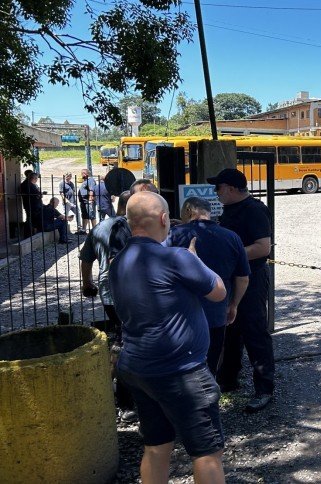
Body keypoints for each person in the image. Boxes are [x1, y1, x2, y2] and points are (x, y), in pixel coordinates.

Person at [110, 191, 227, 484]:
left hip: (138, 367)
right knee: (207, 451)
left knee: (157, 445)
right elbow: (218, 291)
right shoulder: (176, 257)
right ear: (164, 219)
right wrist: (194, 260)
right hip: (180, 372)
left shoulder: (119, 261)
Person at [210, 168, 277, 413]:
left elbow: (263, 247)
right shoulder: (229, 210)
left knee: (254, 332)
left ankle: (264, 389)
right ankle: (228, 379)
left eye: (218, 188)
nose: (216, 193)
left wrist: (231, 253)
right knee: (231, 329)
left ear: (229, 187)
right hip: (231, 279)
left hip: (252, 279)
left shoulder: (254, 210)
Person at [166, 196, 250, 377]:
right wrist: (233, 304)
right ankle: (210, 396)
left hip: (181, 315)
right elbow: (243, 278)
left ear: (188, 211)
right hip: (217, 312)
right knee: (210, 364)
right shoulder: (231, 237)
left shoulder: (174, 235)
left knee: (182, 366)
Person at [80, 191, 136, 421]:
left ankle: (106, 389)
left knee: (121, 336)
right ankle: (122, 399)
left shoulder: (100, 227)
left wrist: (87, 283)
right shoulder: (130, 227)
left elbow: (86, 258)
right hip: (126, 287)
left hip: (106, 288)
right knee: (125, 340)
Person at [78, 168, 97, 233]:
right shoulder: (85, 181)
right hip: (83, 201)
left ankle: (95, 230)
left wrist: (90, 200)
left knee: (92, 215)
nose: (81, 175)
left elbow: (92, 190)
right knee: (84, 215)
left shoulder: (91, 180)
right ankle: (83, 229)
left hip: (88, 202)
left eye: (82, 173)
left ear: (86, 174)